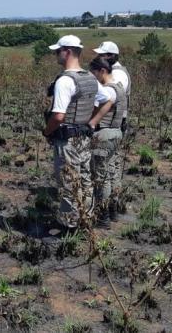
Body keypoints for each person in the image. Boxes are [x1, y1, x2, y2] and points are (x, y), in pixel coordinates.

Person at [42, 35, 111, 231]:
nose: (56, 54)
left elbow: (58, 116)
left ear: (68, 52)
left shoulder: (65, 81)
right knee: (85, 180)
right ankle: (85, 220)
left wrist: (47, 132)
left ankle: (69, 226)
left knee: (68, 182)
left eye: (58, 51)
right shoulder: (90, 77)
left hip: (68, 140)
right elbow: (107, 100)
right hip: (84, 137)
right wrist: (91, 123)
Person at [87, 57, 127, 228]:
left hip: (104, 135)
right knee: (111, 174)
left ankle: (102, 217)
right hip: (116, 133)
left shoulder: (108, 91)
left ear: (102, 71)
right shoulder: (120, 88)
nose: (94, 77)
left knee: (101, 177)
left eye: (94, 73)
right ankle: (112, 211)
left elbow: (96, 110)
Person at [93, 41, 130, 131]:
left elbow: (111, 97)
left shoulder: (118, 74)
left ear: (110, 56)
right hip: (105, 124)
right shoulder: (109, 71)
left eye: (101, 55)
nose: (98, 57)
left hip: (110, 125)